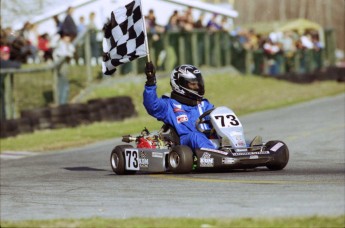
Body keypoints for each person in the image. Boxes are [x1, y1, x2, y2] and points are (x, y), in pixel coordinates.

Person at [143, 62, 216, 150]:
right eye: (193, 84)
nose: (197, 87)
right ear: (180, 85)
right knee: (196, 136)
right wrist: (150, 83)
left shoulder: (204, 105)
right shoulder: (169, 105)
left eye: (198, 83)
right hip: (184, 143)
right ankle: (215, 155)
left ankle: (234, 149)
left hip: (208, 139)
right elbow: (152, 106)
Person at [0, 45, 21, 120]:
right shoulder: (2, 63)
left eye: (7, 53)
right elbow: (15, 65)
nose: (6, 55)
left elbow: (17, 65)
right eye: (3, 54)